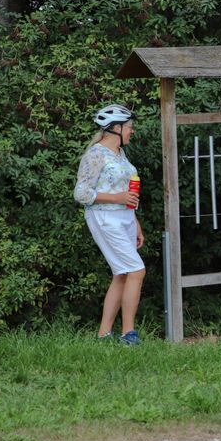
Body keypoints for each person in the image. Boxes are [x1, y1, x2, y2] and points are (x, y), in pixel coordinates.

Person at [73, 103, 146, 346]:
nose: (131, 131)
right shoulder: (95, 154)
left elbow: (126, 191)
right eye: (129, 127)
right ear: (115, 128)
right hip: (104, 217)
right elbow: (81, 194)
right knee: (137, 270)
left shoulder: (120, 154)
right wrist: (117, 199)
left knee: (123, 274)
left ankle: (104, 334)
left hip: (124, 217)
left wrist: (135, 222)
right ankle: (128, 334)